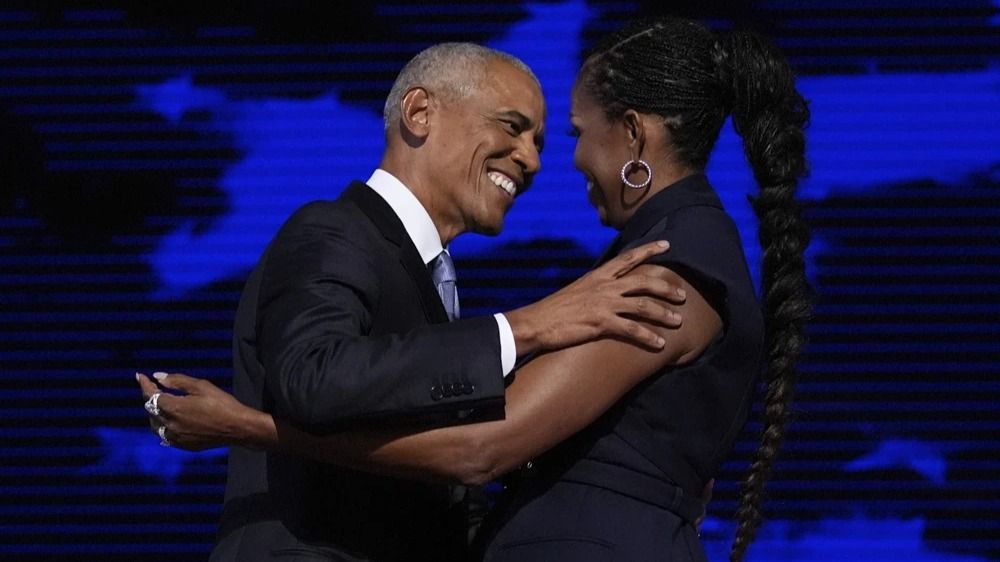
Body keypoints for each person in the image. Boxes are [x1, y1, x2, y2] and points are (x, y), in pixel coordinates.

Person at [141, 17, 811, 562]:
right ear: (420, 113)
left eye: (561, 137)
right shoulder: (333, 233)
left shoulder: (664, 266)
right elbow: (317, 377)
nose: (543, 161)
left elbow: (479, 450)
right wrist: (527, 327)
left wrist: (248, 427)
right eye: (515, 129)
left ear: (635, 134)